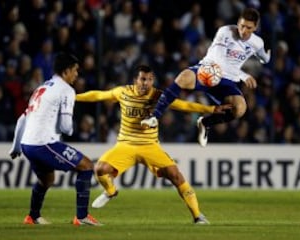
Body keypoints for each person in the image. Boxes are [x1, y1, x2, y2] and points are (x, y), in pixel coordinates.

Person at [76, 65, 231, 224]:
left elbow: (183, 105)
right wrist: (75, 97)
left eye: (150, 79)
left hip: (150, 145)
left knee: (175, 175)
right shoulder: (123, 92)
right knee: (100, 169)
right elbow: (99, 95)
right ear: (136, 80)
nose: (146, 83)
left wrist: (211, 108)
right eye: (143, 79)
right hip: (125, 144)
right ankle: (110, 192)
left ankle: (198, 216)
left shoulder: (158, 96)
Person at [141, 8, 271, 147]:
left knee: (240, 109)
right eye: (242, 25)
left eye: (248, 28)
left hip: (227, 82)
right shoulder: (226, 31)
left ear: (255, 28)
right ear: (238, 22)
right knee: (183, 77)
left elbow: (264, 57)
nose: (243, 30)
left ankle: (205, 123)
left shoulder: (257, 43)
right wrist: (243, 75)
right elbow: (220, 61)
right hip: (209, 71)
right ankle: (154, 117)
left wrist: (266, 57)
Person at [8, 52, 101, 226]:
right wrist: (70, 128)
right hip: (43, 143)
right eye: (75, 70)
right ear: (66, 71)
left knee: (47, 180)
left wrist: (16, 147)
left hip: (27, 144)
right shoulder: (66, 90)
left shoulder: (42, 87)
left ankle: (32, 217)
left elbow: (22, 119)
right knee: (87, 166)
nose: (77, 74)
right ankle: (82, 217)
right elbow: (66, 127)